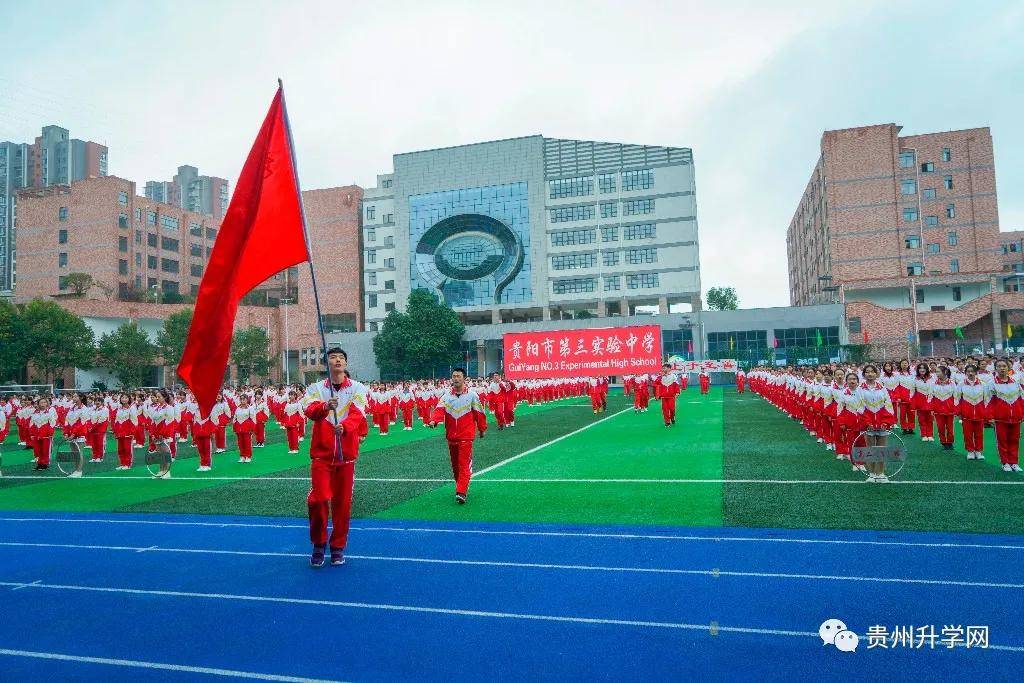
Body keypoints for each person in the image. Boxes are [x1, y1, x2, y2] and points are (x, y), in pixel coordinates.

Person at [303, 347, 369, 568]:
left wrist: (346, 427)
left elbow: (358, 412)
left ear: (346, 364)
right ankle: (319, 543)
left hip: (346, 456)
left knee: (342, 505)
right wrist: (324, 407)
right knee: (319, 499)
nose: (337, 360)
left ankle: (338, 546)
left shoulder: (358, 388)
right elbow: (309, 410)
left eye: (341, 358)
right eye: (332, 358)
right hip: (322, 456)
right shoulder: (316, 389)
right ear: (327, 364)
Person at [429, 368, 487, 505]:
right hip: (451, 437)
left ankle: (461, 492)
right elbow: (439, 410)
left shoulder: (472, 396)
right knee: (455, 466)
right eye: (454, 376)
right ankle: (460, 485)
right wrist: (434, 421)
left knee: (463, 464)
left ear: (464, 378)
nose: (456, 379)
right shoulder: (446, 396)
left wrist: (482, 428)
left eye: (458, 376)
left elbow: (479, 413)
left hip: (466, 437)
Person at [987, 358, 1023, 473]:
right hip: (1000, 418)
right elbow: (989, 401)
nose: (1002, 368)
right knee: (1002, 441)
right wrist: (990, 417)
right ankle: (1005, 462)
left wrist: (1022, 413)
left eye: (1004, 366)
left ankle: (1014, 462)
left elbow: (1021, 399)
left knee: (1014, 440)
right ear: (996, 369)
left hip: (1016, 417)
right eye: (999, 366)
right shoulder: (992, 383)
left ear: (1009, 368)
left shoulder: (1016, 382)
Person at [959, 363, 987, 461]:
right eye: (968, 372)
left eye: (972, 371)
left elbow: (986, 399)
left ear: (976, 372)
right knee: (968, 433)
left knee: (979, 433)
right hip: (966, 413)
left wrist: (985, 412)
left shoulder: (983, 384)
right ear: (965, 373)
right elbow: (957, 398)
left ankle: (978, 451)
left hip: (980, 413)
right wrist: (960, 412)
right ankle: (970, 451)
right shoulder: (961, 384)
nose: (970, 373)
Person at [930, 366, 959, 451]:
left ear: (945, 372)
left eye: (938, 372)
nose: (937, 374)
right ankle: (943, 442)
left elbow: (956, 397)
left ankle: (950, 443)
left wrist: (956, 410)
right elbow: (931, 397)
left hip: (950, 411)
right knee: (940, 428)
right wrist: (932, 409)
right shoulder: (933, 384)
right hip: (938, 410)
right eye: (936, 372)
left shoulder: (952, 383)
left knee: (950, 428)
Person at [29, 397, 57, 471]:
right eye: (41, 402)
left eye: (44, 402)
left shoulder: (50, 413)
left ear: (47, 404)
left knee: (46, 450)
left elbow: (52, 424)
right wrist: (32, 434)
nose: (43, 404)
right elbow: (31, 424)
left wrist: (49, 433)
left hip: (46, 436)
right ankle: (40, 463)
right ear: (38, 404)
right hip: (37, 435)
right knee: (38, 450)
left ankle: (45, 464)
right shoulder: (34, 413)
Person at [111, 393, 138, 470]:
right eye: (122, 397)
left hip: (128, 432)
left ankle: (128, 464)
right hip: (119, 432)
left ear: (129, 399)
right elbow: (116, 420)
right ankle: (122, 463)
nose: (124, 399)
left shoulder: (132, 408)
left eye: (126, 398)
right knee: (120, 449)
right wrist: (115, 430)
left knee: (127, 448)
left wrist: (131, 431)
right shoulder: (119, 408)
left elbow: (135, 421)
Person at [912, 363, 935, 442]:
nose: (922, 370)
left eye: (924, 368)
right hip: (920, 401)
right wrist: (913, 403)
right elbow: (912, 392)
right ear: (918, 370)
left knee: (930, 419)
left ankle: (930, 434)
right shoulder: (915, 379)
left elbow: (934, 390)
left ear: (927, 369)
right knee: (921, 419)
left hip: (930, 400)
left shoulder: (932, 378)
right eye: (920, 368)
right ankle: (924, 434)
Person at [233, 394, 257, 463]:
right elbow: (235, 418)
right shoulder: (238, 408)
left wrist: (252, 428)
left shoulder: (250, 408)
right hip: (239, 428)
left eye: (244, 399)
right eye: (241, 399)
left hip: (247, 428)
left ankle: (248, 456)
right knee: (240, 443)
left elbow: (253, 419)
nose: (242, 401)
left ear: (247, 400)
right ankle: (242, 456)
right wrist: (235, 427)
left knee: (247, 442)